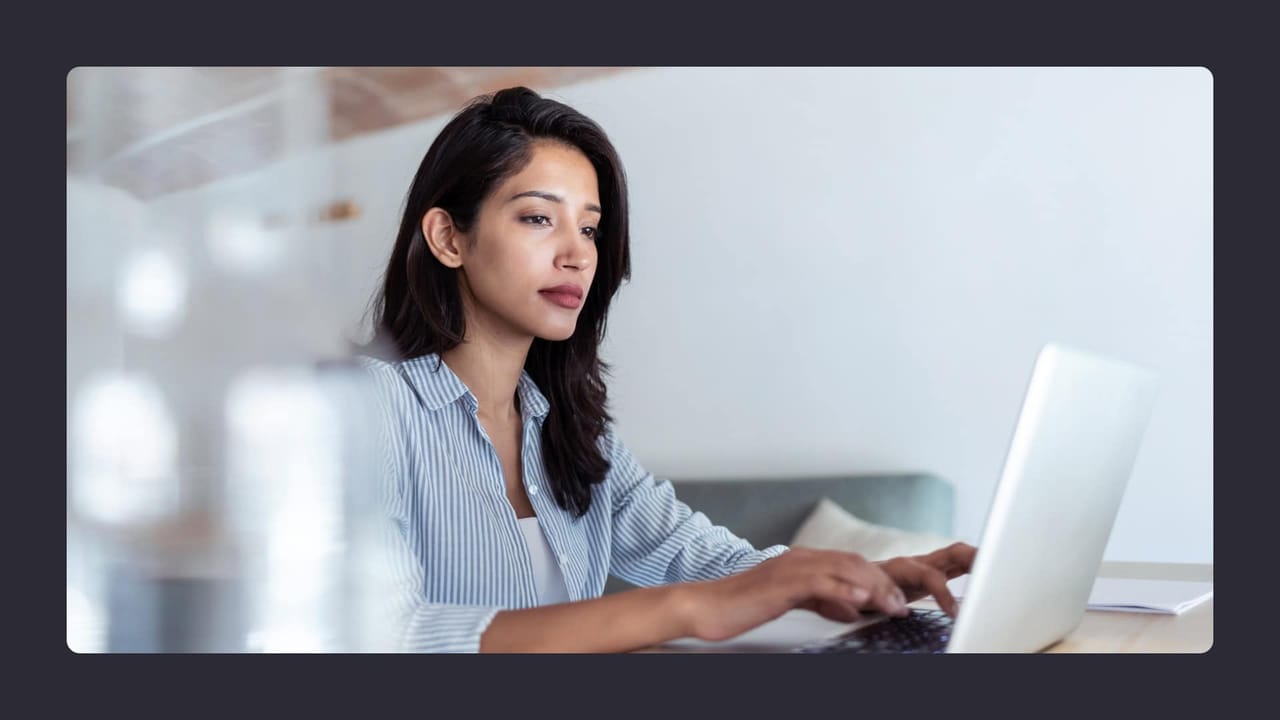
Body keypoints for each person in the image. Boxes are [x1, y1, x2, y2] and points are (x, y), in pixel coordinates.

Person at [359, 86, 976, 653]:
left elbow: (696, 555)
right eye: (539, 218)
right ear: (448, 238)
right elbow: (382, 635)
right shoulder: (368, 412)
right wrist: (684, 609)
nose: (578, 255)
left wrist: (846, 578)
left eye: (592, 228)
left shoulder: (570, 429)